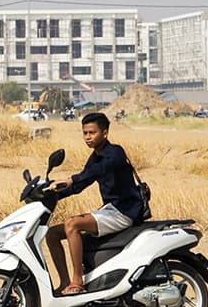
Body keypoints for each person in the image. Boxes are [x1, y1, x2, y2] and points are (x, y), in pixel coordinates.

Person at [45, 111, 144, 295]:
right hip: (110, 210)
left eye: (92, 133)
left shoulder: (115, 152)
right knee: (52, 234)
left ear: (105, 133)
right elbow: (81, 184)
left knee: (72, 224)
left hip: (124, 211)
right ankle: (65, 282)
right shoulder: (95, 157)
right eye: (85, 133)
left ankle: (77, 282)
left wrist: (71, 179)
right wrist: (51, 195)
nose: (88, 137)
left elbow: (98, 170)